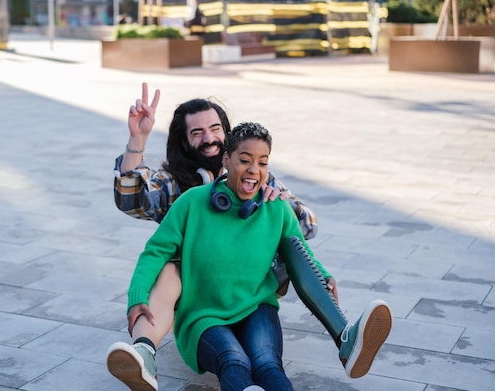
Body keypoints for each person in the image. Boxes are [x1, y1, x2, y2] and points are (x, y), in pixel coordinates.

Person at [107, 122, 392, 391]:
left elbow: (301, 253)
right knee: (234, 360)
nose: (254, 169)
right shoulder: (192, 202)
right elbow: (155, 252)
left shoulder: (276, 208)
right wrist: (137, 298)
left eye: (263, 162)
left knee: (269, 366)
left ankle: (345, 338)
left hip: (257, 307)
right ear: (226, 160)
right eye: (245, 160)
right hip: (204, 315)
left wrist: (325, 278)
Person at [107, 83, 321, 390]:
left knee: (266, 364)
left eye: (215, 128)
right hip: (196, 291)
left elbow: (308, 227)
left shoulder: (253, 174)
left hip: (249, 286)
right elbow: (131, 198)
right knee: (170, 271)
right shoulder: (178, 188)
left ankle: (343, 333)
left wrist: (281, 201)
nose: (209, 138)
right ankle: (144, 349)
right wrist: (138, 138)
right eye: (197, 133)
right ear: (184, 142)